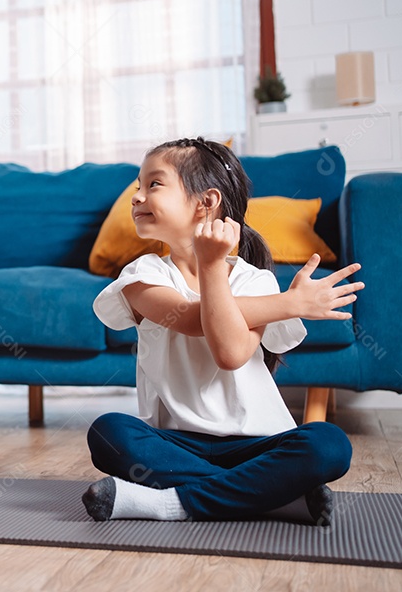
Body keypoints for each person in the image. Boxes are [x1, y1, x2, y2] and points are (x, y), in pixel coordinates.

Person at [83, 137, 357, 525]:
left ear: (206, 202)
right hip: (178, 444)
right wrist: (290, 304)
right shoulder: (141, 276)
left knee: (329, 445)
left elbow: (229, 352)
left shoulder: (254, 280)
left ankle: (168, 504)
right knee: (108, 432)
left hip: (259, 443)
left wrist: (213, 267)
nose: (137, 196)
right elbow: (194, 319)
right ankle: (273, 494)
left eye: (153, 184)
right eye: (137, 186)